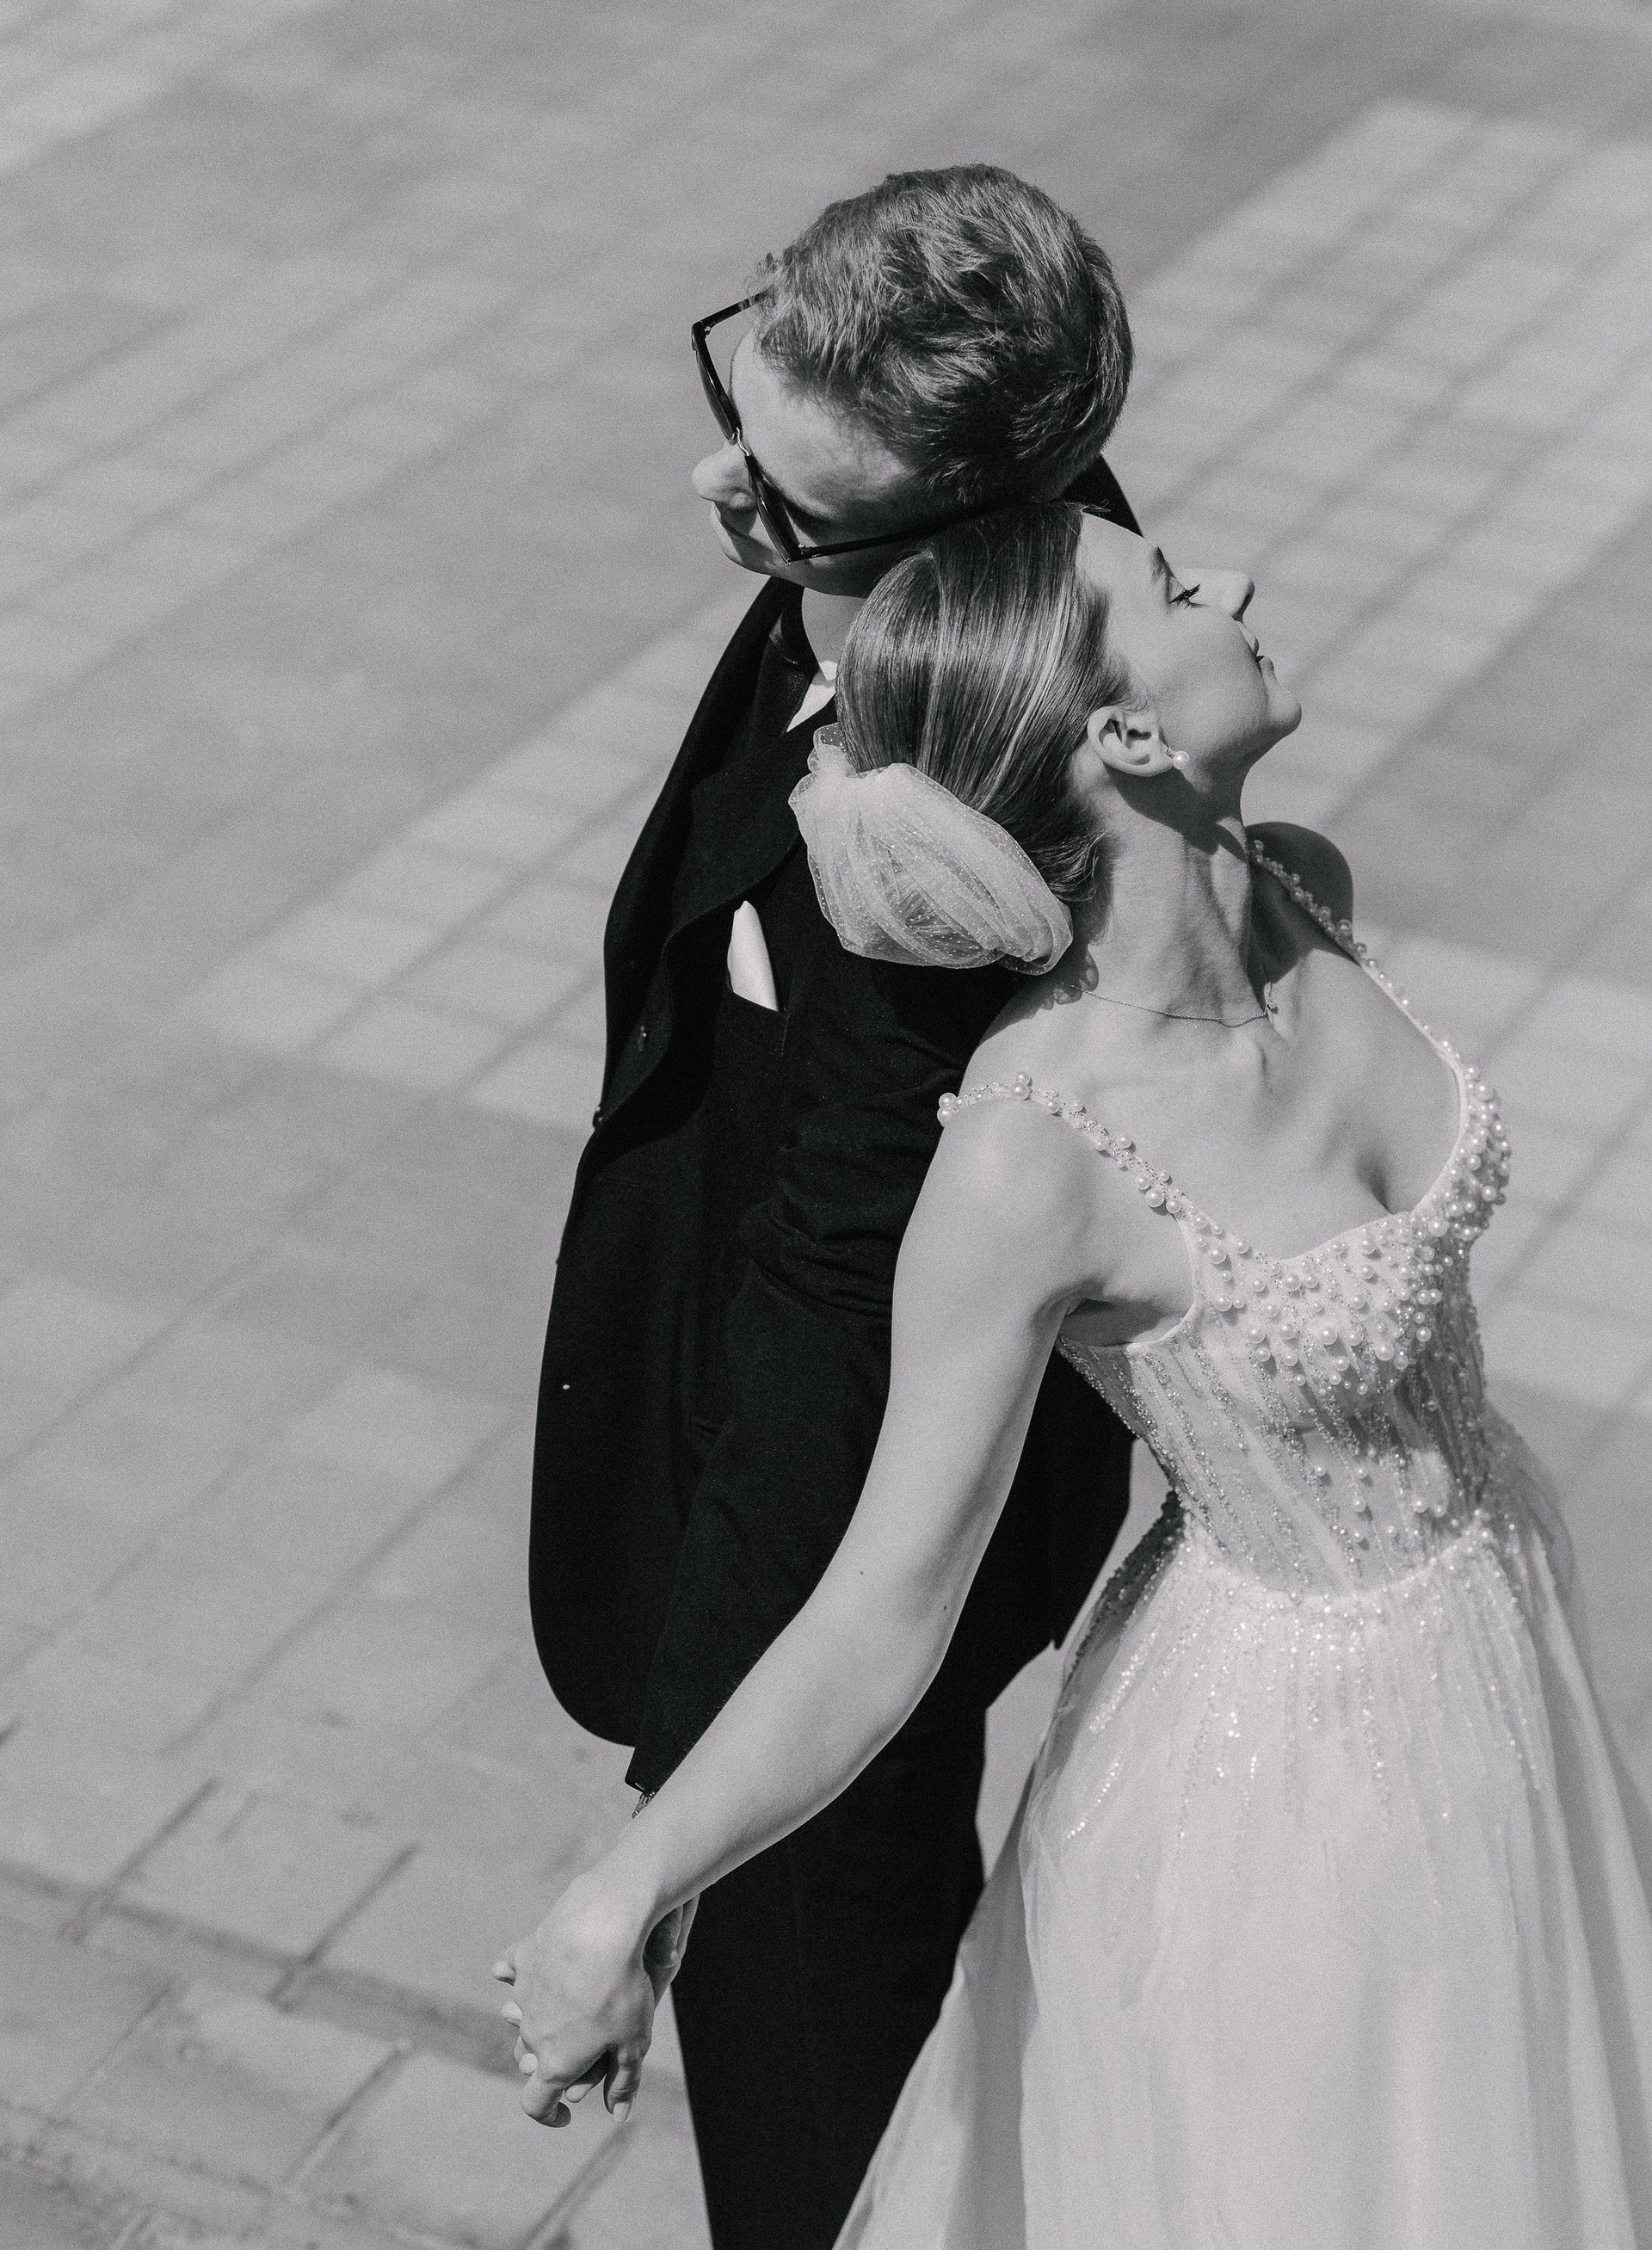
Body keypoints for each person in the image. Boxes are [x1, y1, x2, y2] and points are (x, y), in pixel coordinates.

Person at [503, 501, 1652, 2247]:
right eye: (1181, 590)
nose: (1236, 583)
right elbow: (882, 1609)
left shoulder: (1303, 890)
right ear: (1124, 735)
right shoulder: (1029, 1159)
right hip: (1281, 1794)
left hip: (1500, 1656)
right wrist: (625, 1893)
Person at [525, 169, 1141, 2247]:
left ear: (961, 536)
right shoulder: (902, 542)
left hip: (835, 1533)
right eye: (736, 408)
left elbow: (843, 1290)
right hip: (754, 1382)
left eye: (787, 516)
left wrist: (685, 1814)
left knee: (822, 2130)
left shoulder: (965, 774)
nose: (722, 490)